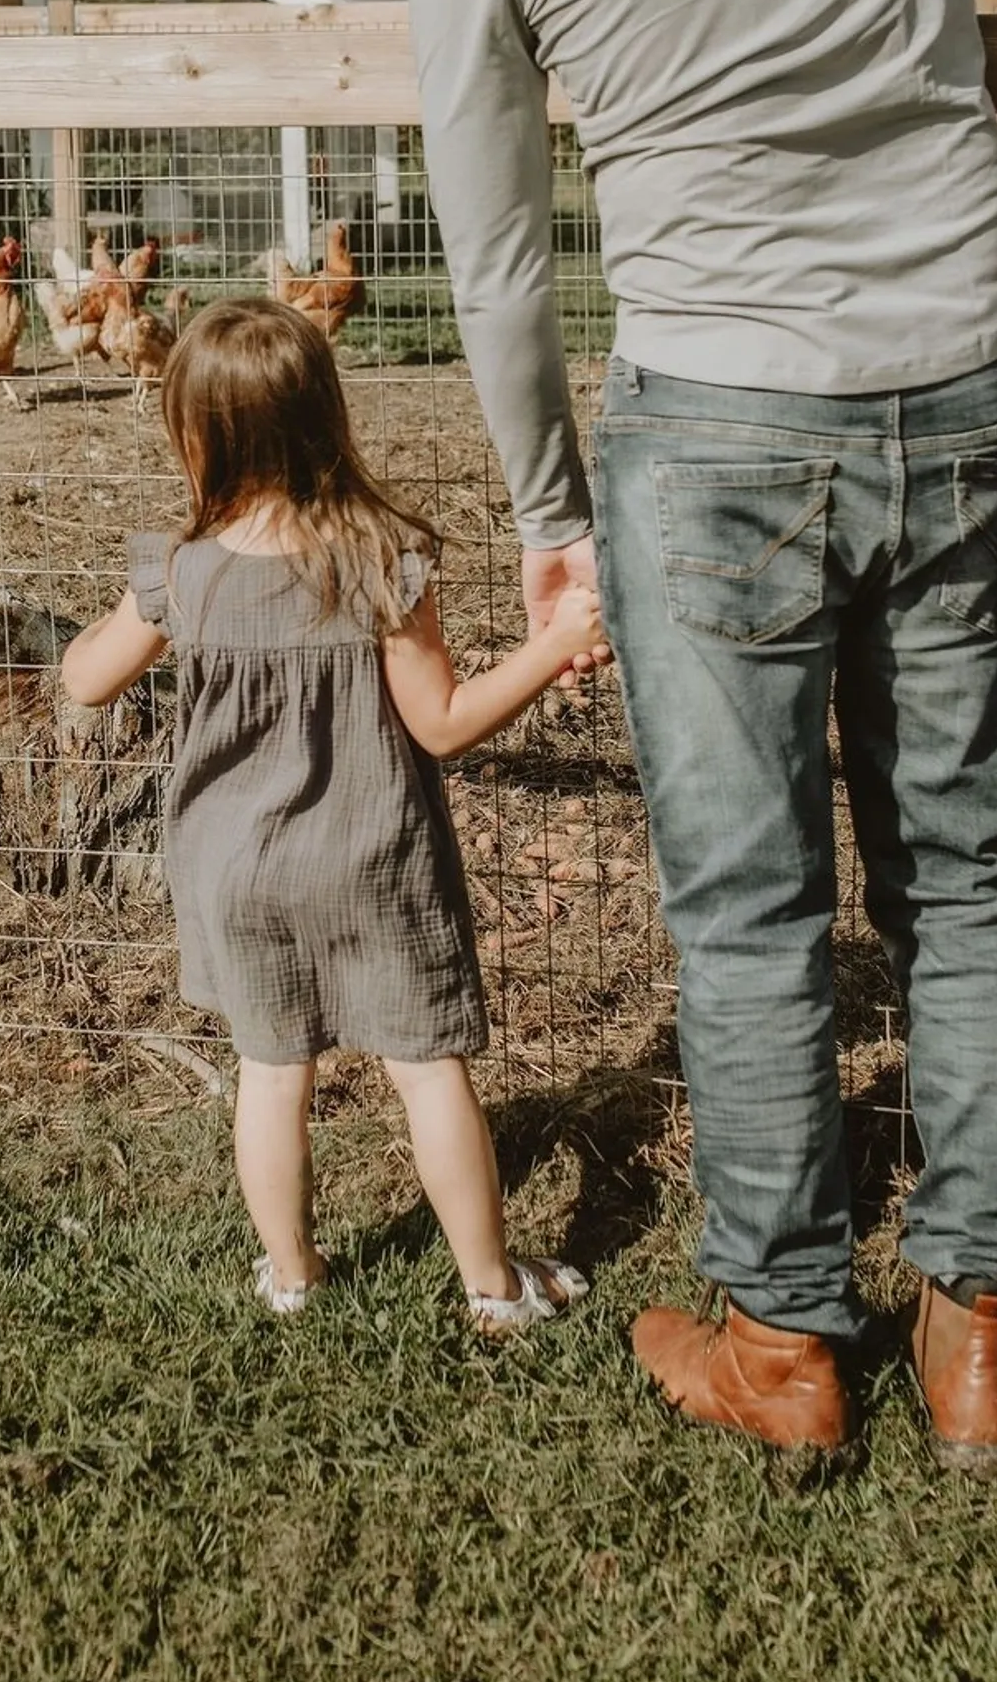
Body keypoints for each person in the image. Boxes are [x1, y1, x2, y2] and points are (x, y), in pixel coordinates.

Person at [346, 0, 997, 1478]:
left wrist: (551, 524)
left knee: (748, 916)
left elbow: (493, 259)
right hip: (955, 369)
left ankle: (783, 1342)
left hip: (716, 422)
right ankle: (976, 1337)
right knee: (966, 879)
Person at [60, 297, 605, 1329]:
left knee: (270, 1076)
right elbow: (441, 725)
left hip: (235, 874)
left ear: (194, 435)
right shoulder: (378, 559)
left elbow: (86, 681)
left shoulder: (180, 573)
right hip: (369, 858)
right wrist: (548, 648)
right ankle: (491, 1288)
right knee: (425, 1071)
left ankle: (292, 1277)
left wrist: (138, 615)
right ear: (324, 418)